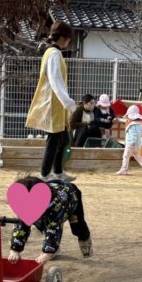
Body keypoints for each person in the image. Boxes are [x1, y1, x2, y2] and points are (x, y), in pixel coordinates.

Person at [26, 21, 77, 181]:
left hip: (57, 103)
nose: (69, 42)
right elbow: (56, 82)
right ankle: (45, 174)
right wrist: (69, 103)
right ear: (63, 38)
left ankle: (58, 172)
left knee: (63, 138)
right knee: (54, 140)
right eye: (68, 38)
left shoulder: (52, 52)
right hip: (54, 103)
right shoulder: (54, 54)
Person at [7, 176, 92, 262]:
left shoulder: (54, 208)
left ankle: (84, 239)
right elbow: (20, 227)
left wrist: (47, 252)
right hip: (52, 192)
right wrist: (14, 250)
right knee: (25, 222)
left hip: (71, 195)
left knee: (77, 224)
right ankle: (54, 249)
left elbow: (53, 229)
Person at [116, 104, 142, 176]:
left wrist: (132, 142)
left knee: (126, 156)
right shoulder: (140, 125)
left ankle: (124, 169)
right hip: (138, 144)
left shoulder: (133, 126)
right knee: (137, 156)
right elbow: (141, 132)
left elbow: (133, 134)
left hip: (131, 143)